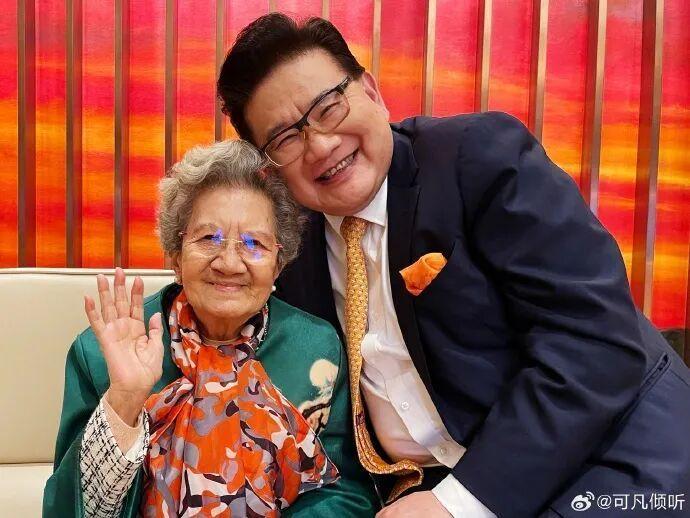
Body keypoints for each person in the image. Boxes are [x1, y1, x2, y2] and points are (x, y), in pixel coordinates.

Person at [216, 13, 690, 517]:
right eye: (286, 138)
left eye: (329, 107)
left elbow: (594, 345)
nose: (320, 145)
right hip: (418, 490)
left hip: (612, 458)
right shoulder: (291, 247)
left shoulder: (477, 159)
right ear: (269, 166)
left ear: (371, 91)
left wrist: (457, 503)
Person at [43, 140, 378, 517]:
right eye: (208, 239)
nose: (229, 263)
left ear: (278, 265)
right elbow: (68, 509)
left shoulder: (314, 348)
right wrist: (125, 400)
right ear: (175, 256)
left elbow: (342, 491)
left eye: (254, 243)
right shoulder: (102, 352)